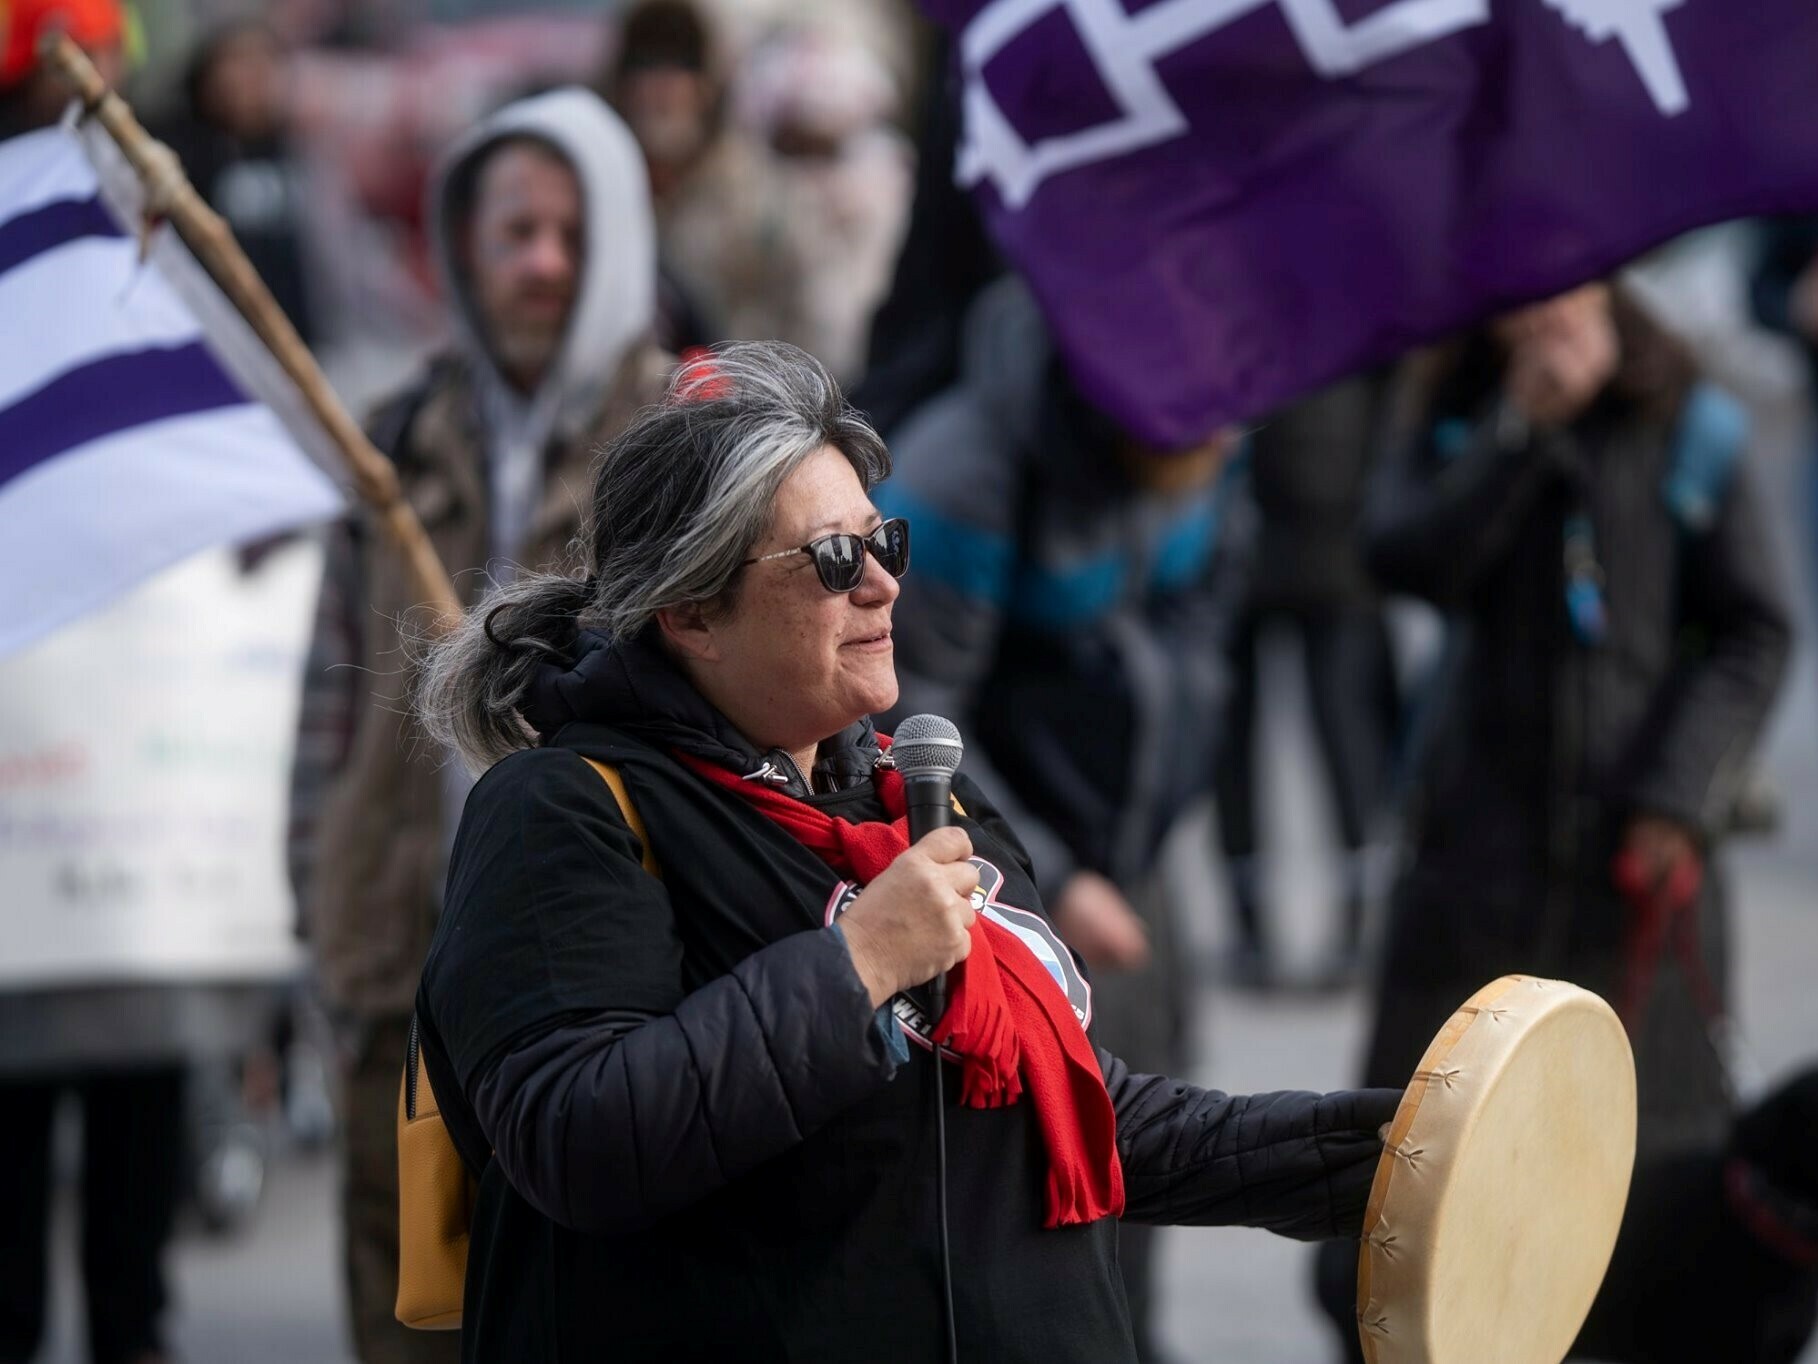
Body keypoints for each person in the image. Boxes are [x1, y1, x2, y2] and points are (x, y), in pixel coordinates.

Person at [409, 341, 1400, 1361]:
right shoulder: (561, 809)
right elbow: (577, 1137)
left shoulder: (914, 793)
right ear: (694, 609)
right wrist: (861, 964)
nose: (882, 583)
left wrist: (1385, 1153)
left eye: (886, 541)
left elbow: (1071, 1110)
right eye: (834, 557)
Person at [1313, 283, 1793, 1358]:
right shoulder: (1455, 401)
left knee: (1643, 1196)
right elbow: (1402, 556)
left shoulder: (1688, 415)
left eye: (1566, 286)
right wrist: (1517, 428)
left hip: (1634, 870)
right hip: (1473, 864)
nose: (1542, 314)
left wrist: (1680, 792)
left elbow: (1755, 628)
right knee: (1417, 1185)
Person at [286, 88, 670, 1363]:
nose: (541, 264)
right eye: (513, 231)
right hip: (401, 957)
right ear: (462, 244)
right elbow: (328, 703)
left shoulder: (682, 446)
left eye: (569, 232)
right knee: (407, 1299)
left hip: (593, 983)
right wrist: (318, 916)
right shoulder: (393, 442)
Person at [875, 275, 1246, 1360]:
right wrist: (1060, 872)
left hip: (1136, 855)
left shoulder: (1209, 438)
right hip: (1020, 874)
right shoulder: (966, 473)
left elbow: (1204, 613)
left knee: (1156, 1131)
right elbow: (920, 716)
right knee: (1042, 1163)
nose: (1223, 448)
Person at [1209, 375, 1400, 989]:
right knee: (1237, 745)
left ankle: (1350, 924)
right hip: (1261, 541)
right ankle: (1254, 926)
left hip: (1333, 545)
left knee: (1345, 739)